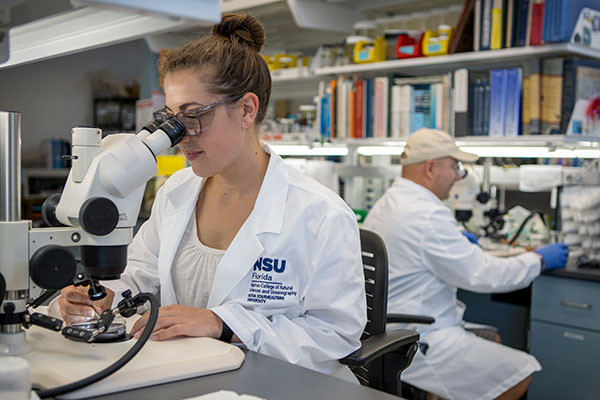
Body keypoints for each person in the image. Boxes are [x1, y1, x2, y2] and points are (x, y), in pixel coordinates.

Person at [52, 13, 366, 381]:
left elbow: (336, 334)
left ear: (247, 110)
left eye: (193, 116)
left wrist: (224, 324)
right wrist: (102, 295)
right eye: (171, 119)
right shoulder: (177, 191)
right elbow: (137, 276)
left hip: (282, 385)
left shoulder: (320, 213)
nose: (179, 136)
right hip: (190, 376)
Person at [362, 128, 569, 400]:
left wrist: (454, 241)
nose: (458, 176)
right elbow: (485, 275)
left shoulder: (391, 202)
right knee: (521, 372)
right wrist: (539, 259)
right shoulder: (427, 214)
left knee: (491, 338)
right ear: (430, 167)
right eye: (454, 166)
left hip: (388, 327)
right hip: (418, 337)